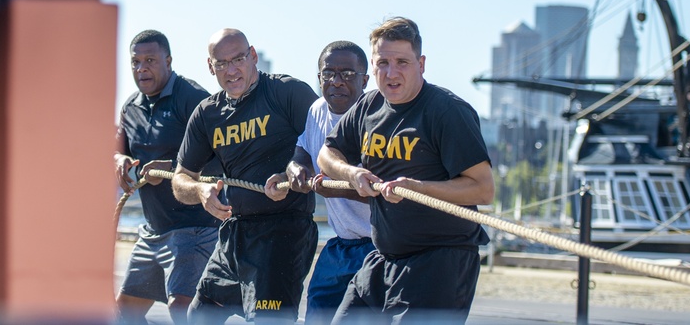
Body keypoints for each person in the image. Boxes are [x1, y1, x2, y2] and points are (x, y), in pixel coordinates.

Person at [318, 17, 494, 324]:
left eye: (402, 62)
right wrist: (352, 173)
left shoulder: (448, 111)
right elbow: (326, 153)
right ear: (372, 67)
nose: (391, 72)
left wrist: (419, 188)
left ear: (421, 63)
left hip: (440, 263)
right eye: (382, 62)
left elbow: (483, 189)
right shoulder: (368, 106)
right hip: (384, 257)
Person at [172, 28, 320, 323]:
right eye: (221, 63)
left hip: (284, 234)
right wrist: (200, 192)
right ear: (210, 67)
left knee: (268, 320)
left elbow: (330, 147)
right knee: (199, 316)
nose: (231, 70)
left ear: (252, 56)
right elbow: (180, 179)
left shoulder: (287, 92)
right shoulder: (207, 114)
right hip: (235, 234)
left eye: (238, 59)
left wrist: (292, 173)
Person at [263, 40, 374, 325]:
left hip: (379, 247)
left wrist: (336, 187)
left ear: (365, 79)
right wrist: (294, 168)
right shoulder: (317, 111)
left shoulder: (378, 119)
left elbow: (387, 193)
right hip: (339, 245)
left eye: (348, 74)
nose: (337, 82)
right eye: (328, 74)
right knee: (317, 311)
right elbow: (301, 151)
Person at [114, 30, 219, 325]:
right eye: (135, 62)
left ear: (168, 61)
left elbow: (221, 155)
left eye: (150, 60)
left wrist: (173, 167)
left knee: (182, 310)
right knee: (124, 314)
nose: (141, 68)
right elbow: (117, 149)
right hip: (153, 230)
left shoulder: (194, 99)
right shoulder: (130, 107)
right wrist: (119, 160)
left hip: (195, 228)